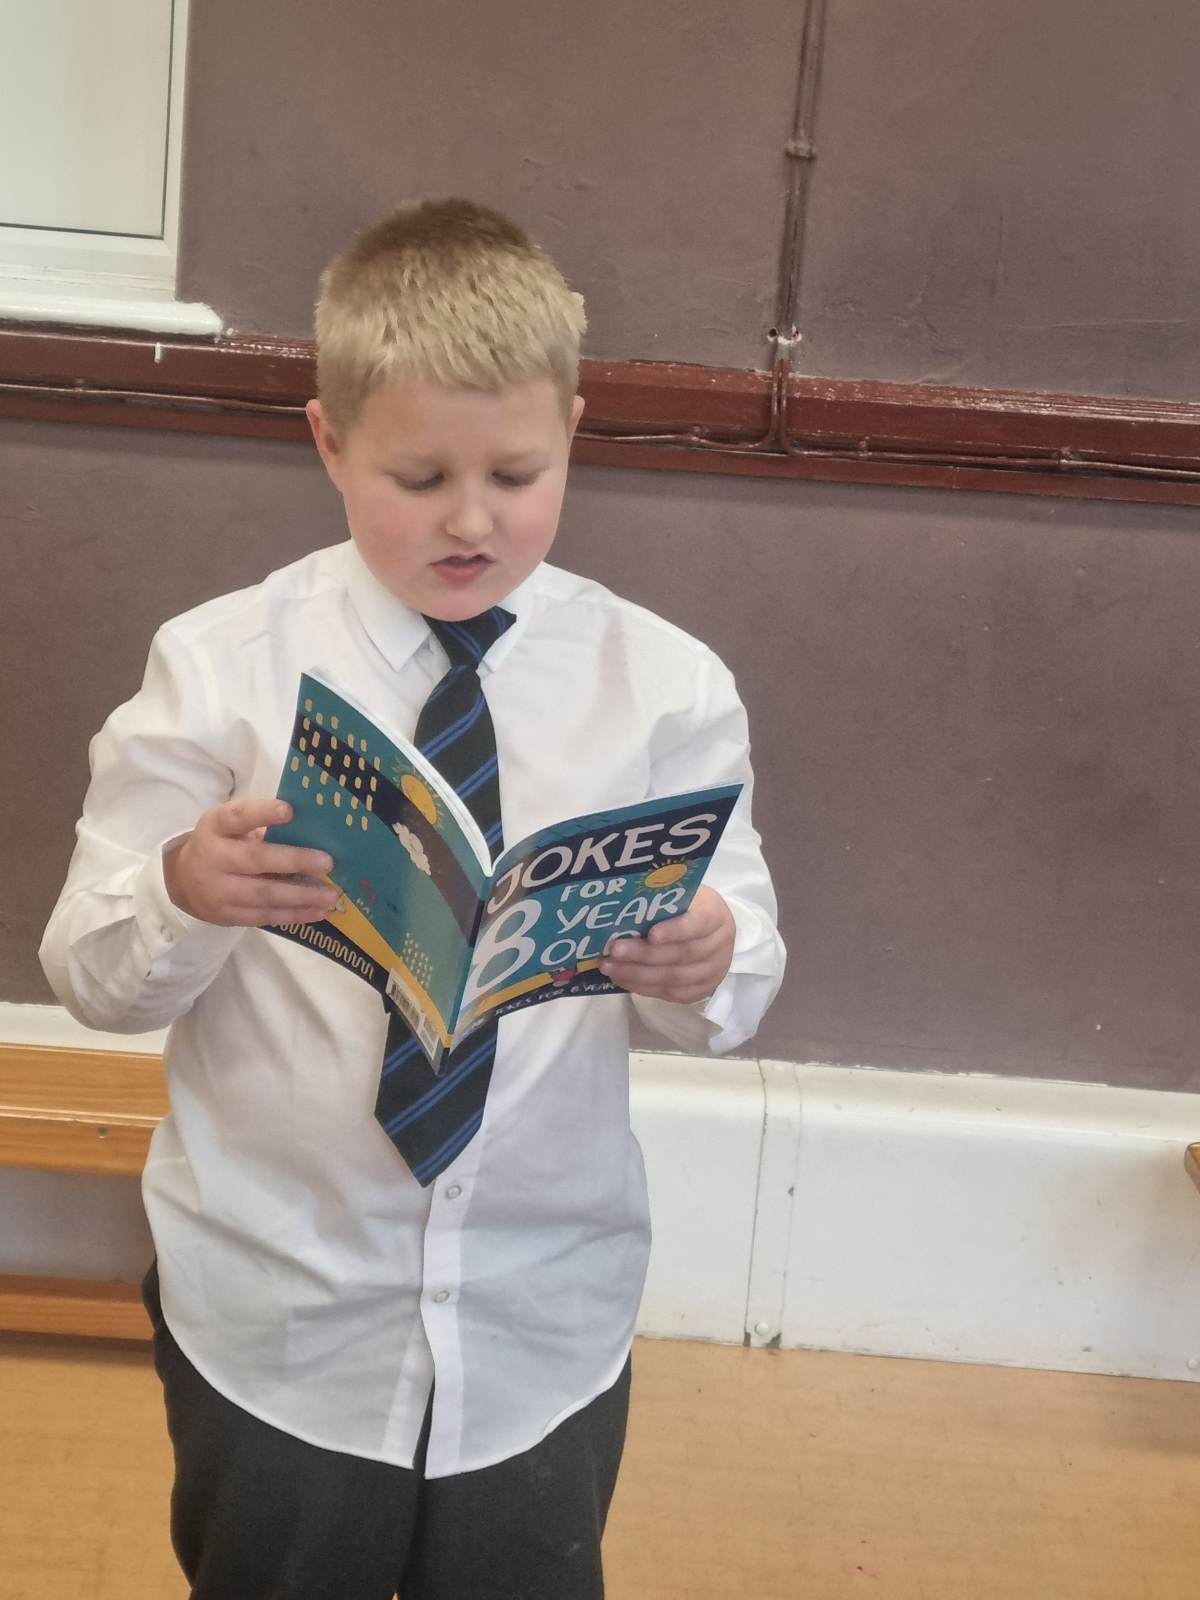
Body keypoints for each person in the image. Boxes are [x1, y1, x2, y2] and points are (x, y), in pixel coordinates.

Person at [40, 198, 785, 1600]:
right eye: (418, 475)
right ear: (328, 442)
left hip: (539, 1312)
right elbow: (89, 970)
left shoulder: (662, 685)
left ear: (574, 430)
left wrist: (706, 956)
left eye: (517, 472)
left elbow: (739, 986)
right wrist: (187, 887)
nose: (470, 518)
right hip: (283, 1306)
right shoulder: (222, 669)